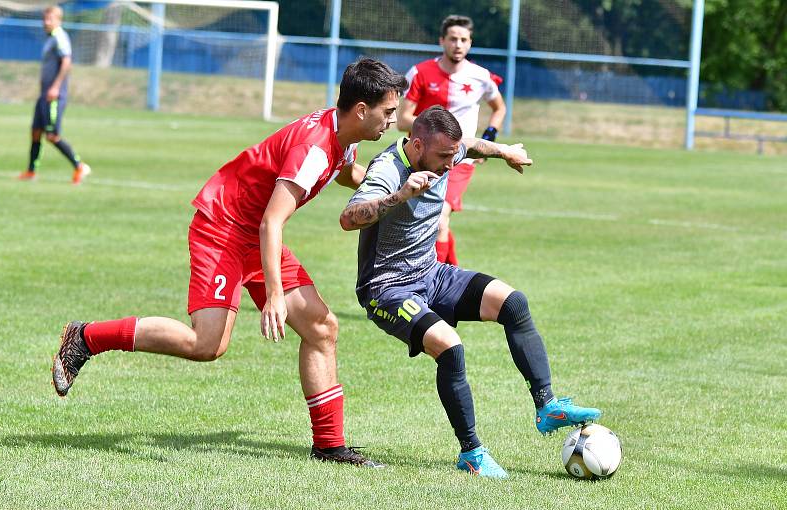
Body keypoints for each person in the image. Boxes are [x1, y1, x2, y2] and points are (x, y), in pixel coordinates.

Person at [51, 58, 409, 468]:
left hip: (253, 233)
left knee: (322, 327)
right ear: (361, 110)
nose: (393, 121)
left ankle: (330, 446)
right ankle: (87, 337)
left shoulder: (343, 133)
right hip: (222, 227)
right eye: (388, 112)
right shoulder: (314, 147)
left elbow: (344, 172)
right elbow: (274, 221)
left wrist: (388, 187)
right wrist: (274, 295)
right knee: (207, 345)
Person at [340, 106, 601, 479]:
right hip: (387, 288)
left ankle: (548, 407)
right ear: (416, 146)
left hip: (431, 273)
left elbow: (472, 147)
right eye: (444, 157)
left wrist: (506, 150)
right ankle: (472, 454)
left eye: (453, 154)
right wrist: (399, 196)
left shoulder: (447, 148)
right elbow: (348, 218)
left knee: (513, 302)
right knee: (450, 347)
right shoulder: (387, 170)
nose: (451, 164)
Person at [397, 14, 506, 266]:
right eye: (453, 39)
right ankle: (454, 276)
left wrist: (487, 139)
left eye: (464, 40)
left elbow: (499, 108)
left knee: (439, 220)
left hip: (460, 160)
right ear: (442, 41)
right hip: (422, 160)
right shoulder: (421, 73)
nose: (458, 44)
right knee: (429, 219)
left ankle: (434, 285)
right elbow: (403, 119)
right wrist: (433, 132)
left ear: (470, 43)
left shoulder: (480, 76)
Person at [19, 5, 91, 184]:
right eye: (44, 18)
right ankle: (31, 171)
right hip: (44, 95)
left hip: (54, 95)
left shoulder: (60, 37)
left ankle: (79, 166)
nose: (46, 22)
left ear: (59, 20)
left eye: (50, 19)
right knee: (36, 132)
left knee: (51, 135)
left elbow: (67, 62)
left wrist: (55, 87)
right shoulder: (50, 38)